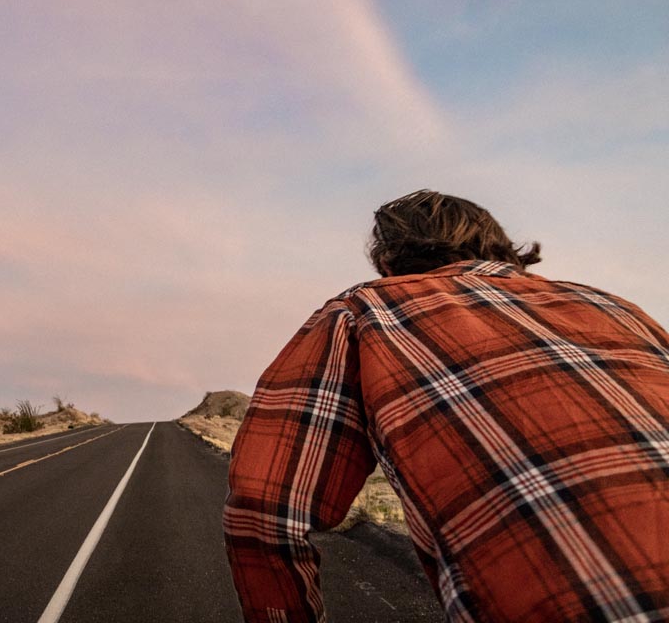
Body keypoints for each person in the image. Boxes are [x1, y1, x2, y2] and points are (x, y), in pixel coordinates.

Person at [224, 190, 669, 622]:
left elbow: (267, 507)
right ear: (503, 249)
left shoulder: (364, 310)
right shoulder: (614, 305)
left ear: (387, 263)